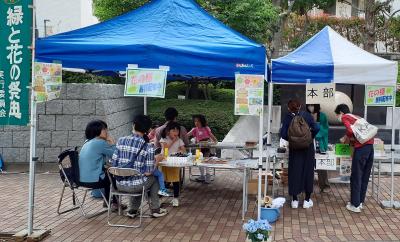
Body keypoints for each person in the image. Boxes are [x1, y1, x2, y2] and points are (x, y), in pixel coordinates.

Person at [111, 115, 168, 218]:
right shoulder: (148, 146)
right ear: (147, 130)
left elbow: (114, 163)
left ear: (133, 125)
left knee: (140, 178)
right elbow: (149, 171)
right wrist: (157, 160)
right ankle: (156, 210)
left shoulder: (121, 140)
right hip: (137, 186)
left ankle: (132, 210)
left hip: (119, 184)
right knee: (153, 178)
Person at [335, 104, 374, 213]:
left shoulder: (345, 117)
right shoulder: (357, 117)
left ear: (341, 112)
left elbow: (351, 131)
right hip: (370, 147)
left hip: (361, 148)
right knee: (364, 176)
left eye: (337, 114)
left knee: (356, 176)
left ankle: (355, 205)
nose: (339, 117)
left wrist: (346, 137)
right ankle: (359, 202)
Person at [281, 100, 320, 209]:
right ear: (300, 106)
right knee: (308, 171)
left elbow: (283, 134)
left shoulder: (288, 117)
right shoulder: (307, 115)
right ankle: (307, 200)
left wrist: (293, 139)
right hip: (308, 148)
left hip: (295, 149)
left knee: (295, 172)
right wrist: (309, 137)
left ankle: (294, 200)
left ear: (289, 108)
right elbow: (317, 128)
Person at [78, 120, 119, 210]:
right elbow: (116, 155)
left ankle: (108, 201)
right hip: (94, 180)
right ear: (97, 130)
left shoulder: (87, 142)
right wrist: (112, 143)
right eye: (104, 129)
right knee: (114, 175)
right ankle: (114, 203)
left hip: (81, 180)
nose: (107, 132)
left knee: (109, 175)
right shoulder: (100, 143)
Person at [160, 122, 186, 207]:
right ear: (168, 131)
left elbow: (183, 150)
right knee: (163, 181)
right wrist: (173, 141)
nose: (176, 132)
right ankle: (160, 198)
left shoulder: (179, 140)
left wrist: (180, 151)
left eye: (177, 130)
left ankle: (175, 198)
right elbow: (166, 148)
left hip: (175, 162)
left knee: (175, 181)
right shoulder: (163, 139)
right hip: (164, 163)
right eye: (173, 130)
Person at [306, 104, 330, 193]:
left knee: (322, 165)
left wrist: (315, 132)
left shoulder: (322, 116)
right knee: (308, 166)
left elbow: (326, 129)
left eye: (312, 105)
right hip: (308, 142)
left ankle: (324, 185)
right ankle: (307, 185)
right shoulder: (305, 115)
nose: (310, 107)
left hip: (320, 143)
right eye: (309, 105)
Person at [187, 114, 218, 184]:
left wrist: (215, 142)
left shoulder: (206, 128)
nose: (196, 123)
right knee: (199, 161)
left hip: (206, 148)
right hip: (198, 148)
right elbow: (186, 135)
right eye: (195, 121)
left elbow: (212, 136)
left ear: (202, 121)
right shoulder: (194, 129)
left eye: (198, 121)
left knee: (206, 161)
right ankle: (202, 176)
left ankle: (208, 176)